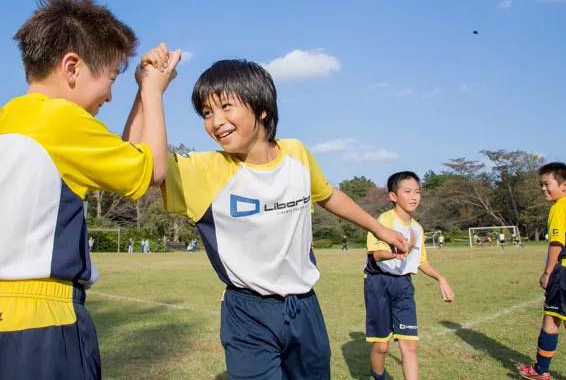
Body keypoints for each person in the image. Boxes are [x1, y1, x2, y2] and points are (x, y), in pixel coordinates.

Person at [0, 0, 181, 380]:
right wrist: (154, 92)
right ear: (72, 68)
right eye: (109, 77)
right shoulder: (61, 122)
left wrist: (141, 92)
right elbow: (153, 169)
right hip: (39, 327)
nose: (109, 93)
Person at [153, 59, 410, 380]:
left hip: (305, 308)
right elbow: (143, 164)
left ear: (261, 109)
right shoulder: (204, 171)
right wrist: (150, 89)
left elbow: (328, 195)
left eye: (225, 107)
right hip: (247, 313)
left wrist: (381, 228)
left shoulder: (296, 154)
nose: (215, 122)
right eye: (207, 113)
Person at [364, 171, 454, 380]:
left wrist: (441, 278)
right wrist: (398, 251)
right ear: (393, 196)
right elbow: (376, 255)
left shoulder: (417, 228)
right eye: (407, 192)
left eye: (417, 192)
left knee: (410, 345)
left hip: (404, 285)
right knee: (382, 347)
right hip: (379, 283)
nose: (414, 197)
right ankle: (378, 376)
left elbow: (421, 261)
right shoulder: (384, 220)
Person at [517, 162, 566, 380]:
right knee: (557, 320)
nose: (543, 188)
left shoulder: (559, 207)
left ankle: (549, 372)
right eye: (541, 184)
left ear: (564, 184)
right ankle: (542, 370)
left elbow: (556, 243)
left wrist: (547, 272)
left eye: (547, 184)